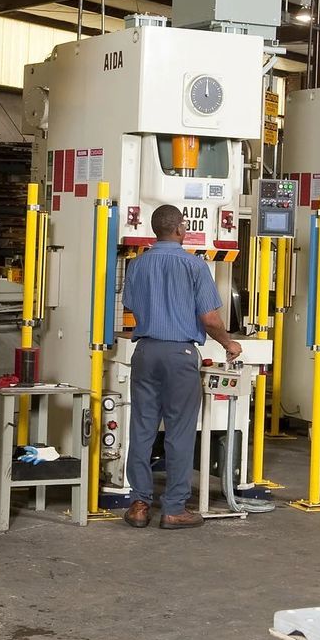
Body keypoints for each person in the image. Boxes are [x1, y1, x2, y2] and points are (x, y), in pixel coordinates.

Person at [119, 204, 243, 530]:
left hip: (144, 353)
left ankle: (139, 504)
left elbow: (131, 304)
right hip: (180, 356)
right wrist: (229, 343)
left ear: (154, 229)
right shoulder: (194, 265)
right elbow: (209, 318)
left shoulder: (137, 265)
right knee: (179, 433)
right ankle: (173, 508)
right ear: (180, 229)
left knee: (142, 430)